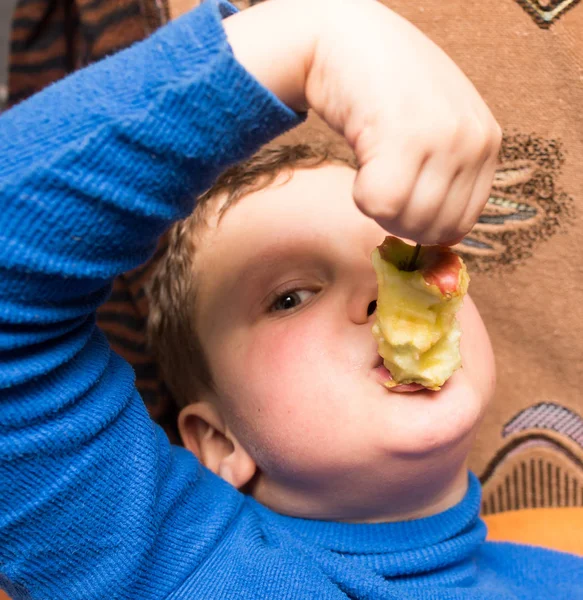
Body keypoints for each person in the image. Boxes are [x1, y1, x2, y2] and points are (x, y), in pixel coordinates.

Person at [0, 0, 575, 597]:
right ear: (222, 442)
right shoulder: (186, 569)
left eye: (410, 258)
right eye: (291, 297)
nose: (383, 297)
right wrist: (307, 41)